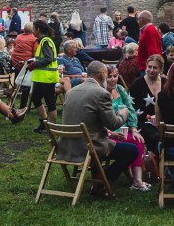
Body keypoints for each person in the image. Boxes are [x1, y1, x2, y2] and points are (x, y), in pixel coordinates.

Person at [59, 61, 138, 196]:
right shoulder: (101, 93)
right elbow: (113, 123)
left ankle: (98, 179)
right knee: (132, 151)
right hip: (88, 147)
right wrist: (124, 114)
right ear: (102, 74)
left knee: (101, 139)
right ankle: (102, 180)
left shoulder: (71, 91)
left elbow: (87, 121)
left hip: (66, 146)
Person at [105, 65, 151, 191]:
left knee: (138, 140)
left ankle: (137, 180)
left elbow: (130, 110)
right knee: (127, 147)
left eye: (115, 76)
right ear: (102, 77)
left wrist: (134, 129)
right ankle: (133, 179)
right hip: (109, 133)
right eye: (109, 77)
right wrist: (110, 132)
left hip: (124, 129)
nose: (113, 79)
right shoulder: (100, 93)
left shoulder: (119, 89)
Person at [28, 19, 60, 132]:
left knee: (50, 103)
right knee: (36, 99)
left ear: (38, 29)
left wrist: (34, 64)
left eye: (33, 28)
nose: (32, 30)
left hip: (47, 78)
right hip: (43, 78)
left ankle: (51, 127)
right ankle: (44, 122)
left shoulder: (45, 41)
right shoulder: (43, 41)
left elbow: (48, 58)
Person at [130, 54, 165, 148]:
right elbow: (131, 107)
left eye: (155, 68)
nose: (151, 70)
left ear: (161, 69)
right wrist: (148, 117)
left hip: (163, 121)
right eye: (149, 67)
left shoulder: (166, 82)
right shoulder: (137, 84)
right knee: (154, 136)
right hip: (142, 122)